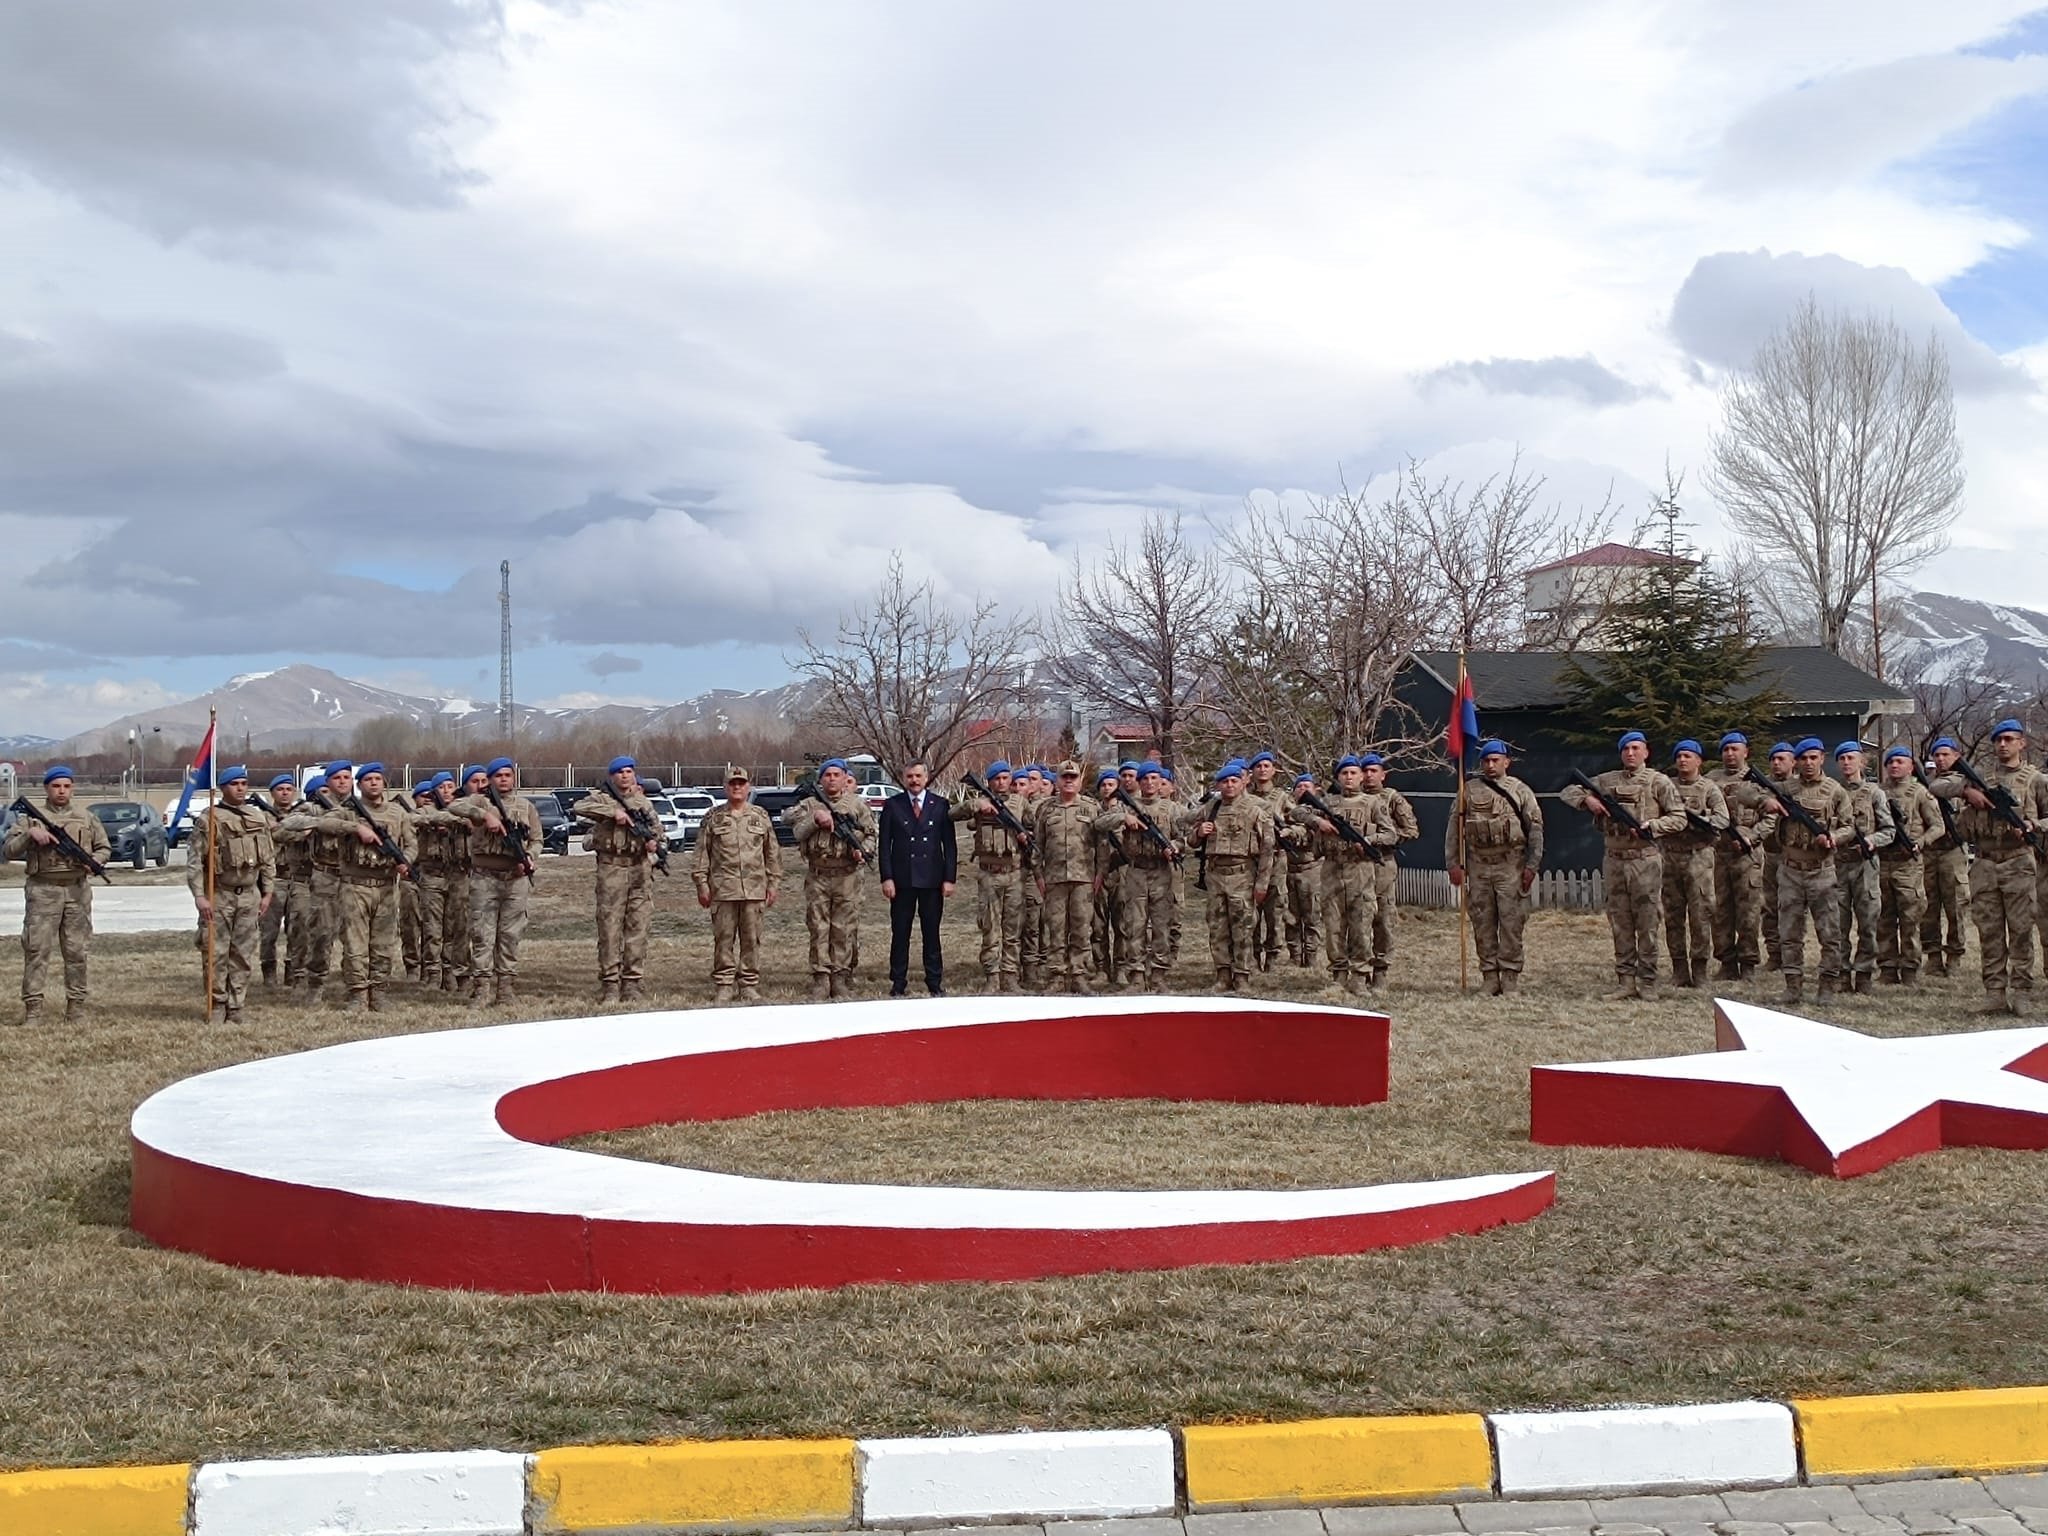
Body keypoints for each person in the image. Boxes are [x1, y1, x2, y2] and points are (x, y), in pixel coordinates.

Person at [1928, 719, 2048, 1016]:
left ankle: (2021, 992)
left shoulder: (2035, 780)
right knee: (1990, 931)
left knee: (2021, 931)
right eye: (1998, 740)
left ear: (2022, 743)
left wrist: (2034, 825)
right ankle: (1994, 992)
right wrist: (1968, 792)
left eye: (2009, 739)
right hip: (1984, 862)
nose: (2003, 744)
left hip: (2018, 859)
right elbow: (1937, 785)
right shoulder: (1981, 777)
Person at [1559, 731, 1687, 1000]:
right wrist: (1587, 800)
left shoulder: (1658, 782)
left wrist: (1653, 826)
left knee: (1648, 922)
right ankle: (1625, 981)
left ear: (1646, 752)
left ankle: (1648, 982)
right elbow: (1567, 790)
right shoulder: (1606, 780)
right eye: (1626, 749)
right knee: (1620, 922)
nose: (1630, 753)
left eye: (1636, 748)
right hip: (1615, 860)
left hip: (1645, 860)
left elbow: (1679, 818)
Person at [5, 764, 110, 1025]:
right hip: (43, 891)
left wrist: (94, 861)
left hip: (77, 890)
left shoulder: (86, 817)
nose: (62, 791)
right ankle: (34, 1012)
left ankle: (76, 1010)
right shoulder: (29, 818)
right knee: (36, 950)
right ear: (46, 788)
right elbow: (8, 850)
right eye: (56, 786)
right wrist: (30, 834)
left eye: (66, 786)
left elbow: (104, 847)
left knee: (77, 951)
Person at [315, 762, 415, 1012]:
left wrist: (406, 861)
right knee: (355, 944)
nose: (373, 783)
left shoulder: (397, 813)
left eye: (377, 779)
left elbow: (412, 843)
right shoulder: (348, 811)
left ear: (384, 783)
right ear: (359, 785)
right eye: (367, 779)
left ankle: (379, 992)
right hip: (354, 886)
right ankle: (358, 994)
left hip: (386, 886)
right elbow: (324, 825)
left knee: (383, 944)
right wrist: (356, 828)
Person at [1446, 740, 1544, 996]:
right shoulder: (1467, 790)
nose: (1490, 765)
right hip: (1479, 867)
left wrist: (1532, 866)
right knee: (1482, 921)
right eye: (1486, 761)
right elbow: (1454, 832)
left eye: (1496, 760)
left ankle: (1510, 977)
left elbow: (1535, 831)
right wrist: (1453, 864)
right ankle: (1489, 976)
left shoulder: (1520, 790)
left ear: (1506, 762)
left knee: (1512, 922)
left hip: (1510, 866)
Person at [1297, 754, 1398, 995]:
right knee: (1333, 925)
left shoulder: (1374, 804)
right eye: (1344, 774)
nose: (1349, 778)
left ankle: (1360, 975)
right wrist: (1317, 822)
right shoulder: (1328, 802)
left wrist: (1368, 841)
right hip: (1332, 868)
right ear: (1338, 778)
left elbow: (1391, 834)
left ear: (1362, 776)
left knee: (1361, 924)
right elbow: (1297, 812)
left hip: (1360, 870)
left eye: (1353, 773)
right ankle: (1338, 974)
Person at [1767, 738, 1856, 1003]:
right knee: (1789, 932)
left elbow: (1850, 826)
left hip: (1822, 871)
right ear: (1796, 761)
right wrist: (1766, 803)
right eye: (1803, 758)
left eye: (1813, 758)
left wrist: (1833, 837)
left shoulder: (1835, 791)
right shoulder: (1785, 788)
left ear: (1822, 759)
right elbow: (1749, 793)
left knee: (1829, 933)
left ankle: (1827, 986)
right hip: (1790, 870)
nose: (1808, 763)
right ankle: (1792, 986)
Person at [450, 755, 542, 1007]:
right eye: (498, 776)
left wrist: (531, 858)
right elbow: (454, 807)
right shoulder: (480, 800)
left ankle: (505, 988)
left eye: (507, 775)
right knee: (482, 933)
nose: (504, 780)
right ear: (490, 779)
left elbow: (537, 840)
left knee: (510, 934)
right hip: (485, 877)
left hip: (515, 877)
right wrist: (484, 816)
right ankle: (481, 987)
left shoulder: (526, 807)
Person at [187, 765, 276, 1024]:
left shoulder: (257, 818)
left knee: (242, 953)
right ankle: (216, 1003)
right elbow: (194, 862)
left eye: (244, 783)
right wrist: (199, 896)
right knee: (215, 953)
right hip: (219, 894)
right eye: (234, 784)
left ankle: (236, 1005)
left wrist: (267, 891)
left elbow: (267, 859)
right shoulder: (209, 819)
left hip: (249, 895)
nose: (240, 788)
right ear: (223, 788)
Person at [570, 756, 662, 1004]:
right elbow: (579, 807)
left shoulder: (644, 803)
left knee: (637, 927)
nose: (625, 776)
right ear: (612, 776)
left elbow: (657, 832)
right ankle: (610, 983)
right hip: (612, 866)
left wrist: (654, 842)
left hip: (639, 867)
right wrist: (613, 813)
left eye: (629, 771)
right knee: (610, 927)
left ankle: (632, 982)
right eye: (620, 772)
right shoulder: (601, 798)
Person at [787, 757, 876, 1000]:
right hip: (818, 875)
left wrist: (863, 851)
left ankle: (840, 976)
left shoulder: (857, 805)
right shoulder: (810, 803)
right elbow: (794, 829)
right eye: (828, 775)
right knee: (818, 927)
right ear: (821, 779)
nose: (832, 779)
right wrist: (816, 819)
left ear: (846, 778)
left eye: (837, 774)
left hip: (847, 875)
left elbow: (870, 835)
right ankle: (821, 978)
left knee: (843, 928)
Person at [1184, 759, 1276, 992]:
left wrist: (1262, 883)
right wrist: (1199, 832)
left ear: (1243, 782)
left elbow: (1267, 849)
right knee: (1217, 927)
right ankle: (1222, 974)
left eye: (1234, 781)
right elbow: (1191, 840)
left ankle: (1242, 975)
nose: (1229, 785)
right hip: (1216, 875)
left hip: (1243, 874)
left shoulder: (1256, 810)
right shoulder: (1210, 809)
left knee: (1243, 927)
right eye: (1224, 781)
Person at [690, 765, 780, 1003]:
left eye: (741, 783)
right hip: (723, 889)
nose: (737, 787)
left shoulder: (759, 816)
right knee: (724, 939)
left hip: (754, 889)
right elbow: (702, 854)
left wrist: (773, 883)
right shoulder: (713, 817)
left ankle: (749, 984)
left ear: (748, 787)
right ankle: (724, 983)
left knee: (751, 939)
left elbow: (772, 853)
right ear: (725, 787)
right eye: (732, 783)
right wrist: (701, 883)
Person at [877, 760, 956, 997]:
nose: (914, 780)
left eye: (918, 776)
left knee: (931, 932)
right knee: (900, 932)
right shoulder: (892, 805)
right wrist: (887, 877)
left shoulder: (940, 805)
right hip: (902, 880)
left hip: (932, 879)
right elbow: (884, 846)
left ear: (926, 777)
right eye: (910, 776)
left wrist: (949, 878)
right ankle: (898, 981)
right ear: (904, 778)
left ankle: (934, 981)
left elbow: (949, 846)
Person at [951, 760, 1028, 993]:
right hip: (988, 874)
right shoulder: (980, 803)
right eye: (997, 779)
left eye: (1005, 778)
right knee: (990, 928)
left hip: (1014, 874)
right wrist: (977, 804)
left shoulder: (1021, 803)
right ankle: (992, 976)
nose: (1001, 782)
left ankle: (1010, 976)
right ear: (990, 782)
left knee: (1013, 929)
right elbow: (951, 813)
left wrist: (1026, 836)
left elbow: (1036, 829)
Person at [1706, 733, 1777, 982]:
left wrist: (1752, 836)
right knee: (1720, 911)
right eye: (1725, 750)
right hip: (1719, 854)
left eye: (1735, 749)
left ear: (1745, 752)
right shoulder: (1710, 780)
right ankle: (1726, 962)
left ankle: (1747, 962)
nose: (1730, 754)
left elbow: (1771, 818)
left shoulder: (1757, 782)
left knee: (1749, 911)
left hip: (1748, 855)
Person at [1105, 761, 1182, 990]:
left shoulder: (1172, 809)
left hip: (1161, 871)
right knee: (1134, 925)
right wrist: (1123, 819)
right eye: (1145, 779)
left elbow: (1185, 837)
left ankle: (1158, 975)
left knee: (1161, 925)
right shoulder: (1126, 806)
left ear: (1161, 782)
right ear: (1139, 782)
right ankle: (1136, 975)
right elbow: (1100, 822)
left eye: (1154, 779)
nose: (1149, 783)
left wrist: (1175, 847)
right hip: (1136, 871)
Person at [1031, 761, 1105, 994]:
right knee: (1056, 928)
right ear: (1057, 780)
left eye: (1073, 777)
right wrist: (1039, 876)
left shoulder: (1092, 809)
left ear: (1080, 781)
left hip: (1084, 879)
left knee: (1082, 928)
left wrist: (1100, 873)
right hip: (1054, 879)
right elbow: (1037, 846)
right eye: (1065, 777)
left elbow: (1102, 845)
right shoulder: (1045, 810)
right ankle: (1057, 976)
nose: (1069, 781)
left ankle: (1079, 974)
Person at [1663, 740, 1729, 989]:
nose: (1682, 760)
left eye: (1688, 756)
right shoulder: (1666, 786)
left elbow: (1722, 819)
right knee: (1673, 915)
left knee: (1701, 914)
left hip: (1699, 856)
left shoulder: (1709, 788)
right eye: (1679, 756)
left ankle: (1699, 969)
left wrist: (1701, 820)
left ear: (1699, 761)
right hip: (1671, 855)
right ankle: (1679, 969)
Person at [1877, 745, 1945, 987]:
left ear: (1910, 766)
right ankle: (1887, 967)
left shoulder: (1920, 793)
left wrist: (1920, 842)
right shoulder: (1878, 792)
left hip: (1908, 865)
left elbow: (1938, 826)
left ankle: (1909, 969)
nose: (1895, 765)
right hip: (1882, 862)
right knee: (1883, 918)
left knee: (1910, 919)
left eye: (1900, 761)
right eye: (1891, 762)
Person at [1831, 742, 1894, 994]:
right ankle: (1842, 973)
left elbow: (1889, 831)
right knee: (1838, 924)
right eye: (1842, 758)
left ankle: (1865, 972)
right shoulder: (1833, 792)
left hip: (1865, 866)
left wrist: (1871, 841)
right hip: (1838, 865)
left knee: (1868, 922)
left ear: (1862, 762)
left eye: (1851, 758)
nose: (1846, 762)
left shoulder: (1874, 793)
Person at [1357, 753, 1419, 986]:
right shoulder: (1352, 798)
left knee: (1382, 918)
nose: (1369, 775)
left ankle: (1380, 970)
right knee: (1358, 917)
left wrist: (1381, 838)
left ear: (1383, 774)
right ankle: (1359, 969)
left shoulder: (1392, 798)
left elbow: (1411, 830)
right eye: (1366, 771)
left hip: (1383, 863)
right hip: (1357, 865)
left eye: (1374, 771)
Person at [412, 773, 472, 993]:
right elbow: (414, 819)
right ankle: (433, 972)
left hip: (458, 875)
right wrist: (440, 820)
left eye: (450, 786)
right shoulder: (426, 811)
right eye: (441, 787)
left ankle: (454, 971)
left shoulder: (464, 810)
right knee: (432, 928)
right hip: (432, 875)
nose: (447, 790)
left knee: (456, 927)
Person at [259, 772, 316, 994]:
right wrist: (300, 833)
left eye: (289, 789)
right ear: (272, 793)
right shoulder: (263, 816)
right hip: (275, 879)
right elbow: (276, 834)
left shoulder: (302, 813)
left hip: (300, 878)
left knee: (299, 928)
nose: (285, 793)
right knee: (269, 931)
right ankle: (269, 972)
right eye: (280, 789)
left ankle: (295, 972)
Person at [1919, 736, 1970, 977]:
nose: (1940, 759)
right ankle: (1933, 955)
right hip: (1929, 852)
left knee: (1956, 906)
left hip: (1952, 851)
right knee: (1928, 907)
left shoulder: (1965, 783)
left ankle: (1955, 956)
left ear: (1956, 756)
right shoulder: (1926, 784)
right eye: (1937, 755)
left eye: (1945, 755)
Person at [1244, 750, 1290, 971]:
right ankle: (1252, 956)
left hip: (1276, 861)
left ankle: (1272, 955)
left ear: (1274, 770)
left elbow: (1300, 820)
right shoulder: (1244, 797)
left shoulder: (1282, 797)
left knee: (1274, 911)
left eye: (1266, 766)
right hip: (1249, 862)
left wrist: (1291, 832)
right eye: (1258, 766)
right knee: (1249, 911)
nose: (1262, 770)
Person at [1276, 773, 1323, 969]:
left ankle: (1310, 957)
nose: (1303, 789)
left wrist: (1291, 833)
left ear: (1315, 790)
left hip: (1311, 869)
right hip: (1288, 868)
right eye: (1299, 786)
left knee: (1311, 915)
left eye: (1307, 786)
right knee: (1290, 916)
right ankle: (1295, 955)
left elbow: (1309, 833)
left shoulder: (1319, 813)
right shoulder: (1287, 812)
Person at [1089, 768, 1130, 986]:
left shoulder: (1130, 809)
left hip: (1122, 872)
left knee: (1122, 923)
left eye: (1111, 784)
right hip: (1098, 872)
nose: (1107, 788)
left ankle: (1121, 967)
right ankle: (1101, 968)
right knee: (1098, 923)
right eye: (1103, 785)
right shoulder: (1093, 810)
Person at [1760, 741, 1797, 976]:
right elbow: (1746, 792)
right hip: (1771, 855)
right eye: (1773, 758)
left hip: (1795, 858)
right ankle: (1774, 954)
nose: (1776, 763)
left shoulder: (1799, 787)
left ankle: (1792, 955)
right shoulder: (1763, 786)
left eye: (1782, 758)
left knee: (1793, 908)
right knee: (1770, 906)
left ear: (1793, 762)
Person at [1017, 763, 1050, 989]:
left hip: (1037, 870)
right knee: (1019, 922)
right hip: (1014, 870)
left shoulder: (1046, 807)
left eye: (1032, 779)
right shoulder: (1013, 805)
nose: (1026, 784)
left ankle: (1039, 966)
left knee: (1037, 923)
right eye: (1020, 781)